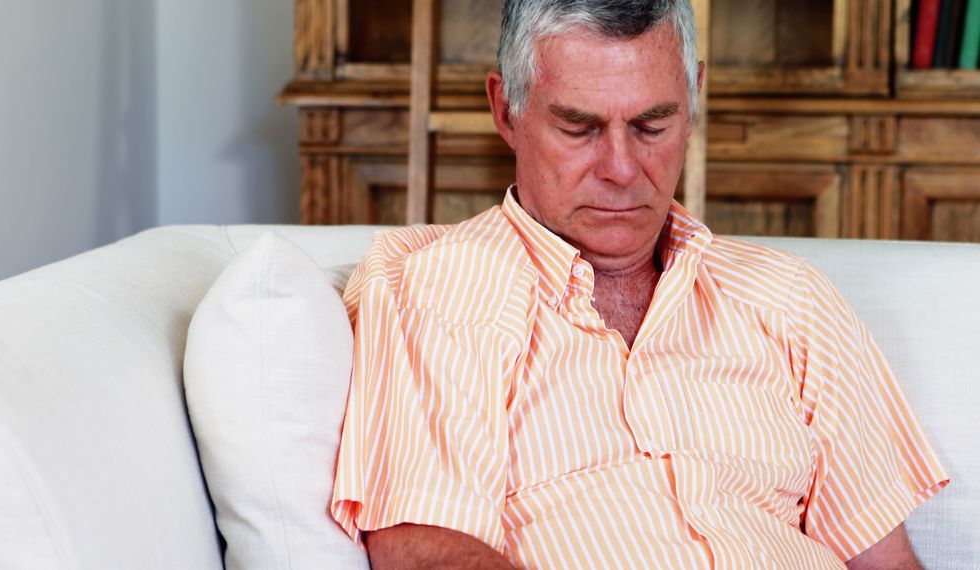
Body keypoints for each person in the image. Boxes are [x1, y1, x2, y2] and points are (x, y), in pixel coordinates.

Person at [330, 1, 948, 568]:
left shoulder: (789, 298)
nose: (623, 170)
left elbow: (887, 562)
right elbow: (427, 551)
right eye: (579, 128)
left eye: (652, 126)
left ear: (694, 98)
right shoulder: (434, 286)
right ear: (505, 111)